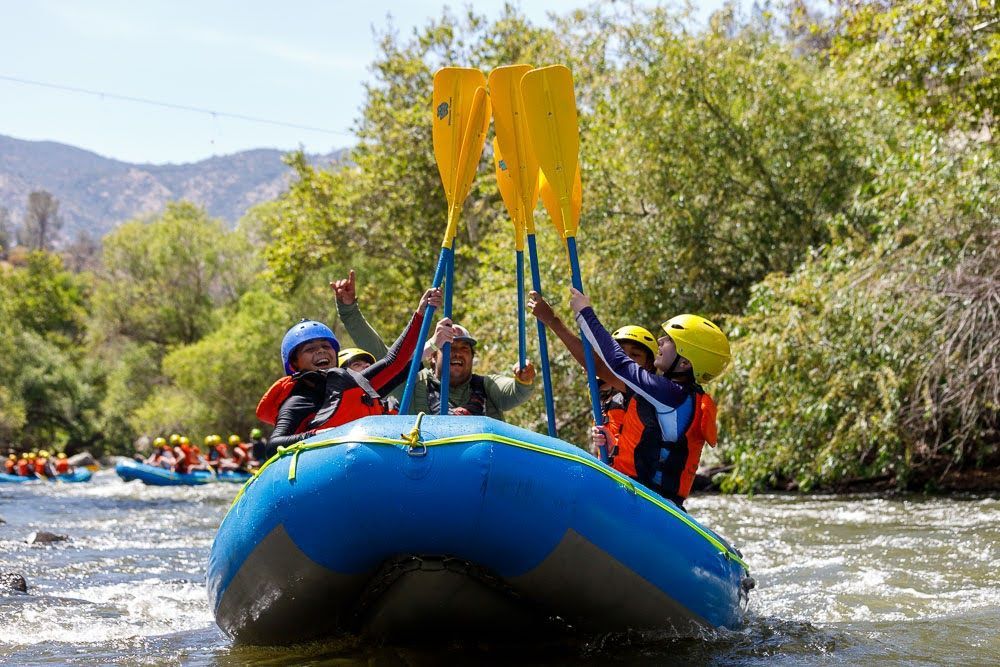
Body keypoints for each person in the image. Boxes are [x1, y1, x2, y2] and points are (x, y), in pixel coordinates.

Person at [570, 288, 731, 509]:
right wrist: (613, 442)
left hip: (650, 504)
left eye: (670, 341)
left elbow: (617, 363)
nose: (661, 341)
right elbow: (655, 443)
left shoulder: (669, 394)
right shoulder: (685, 396)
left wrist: (584, 312)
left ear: (684, 363)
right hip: (659, 502)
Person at [256, 285, 442, 459]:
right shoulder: (299, 399)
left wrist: (420, 314)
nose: (321, 351)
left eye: (325, 346)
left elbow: (394, 362)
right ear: (295, 364)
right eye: (310, 349)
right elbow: (274, 446)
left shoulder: (354, 386)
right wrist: (315, 435)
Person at [332, 269, 536, 420]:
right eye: (449, 348)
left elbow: (514, 393)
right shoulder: (412, 384)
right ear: (432, 357)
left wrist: (523, 380)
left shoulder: (486, 386)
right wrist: (349, 309)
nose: (456, 354)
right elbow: (388, 359)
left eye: (464, 349)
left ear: (472, 358)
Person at [527, 290, 658, 460]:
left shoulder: (644, 390)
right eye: (621, 352)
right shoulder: (602, 389)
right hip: (611, 470)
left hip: (633, 479)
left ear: (648, 365)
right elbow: (597, 365)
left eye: (635, 355)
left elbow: (595, 363)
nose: (626, 359)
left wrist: (551, 320)